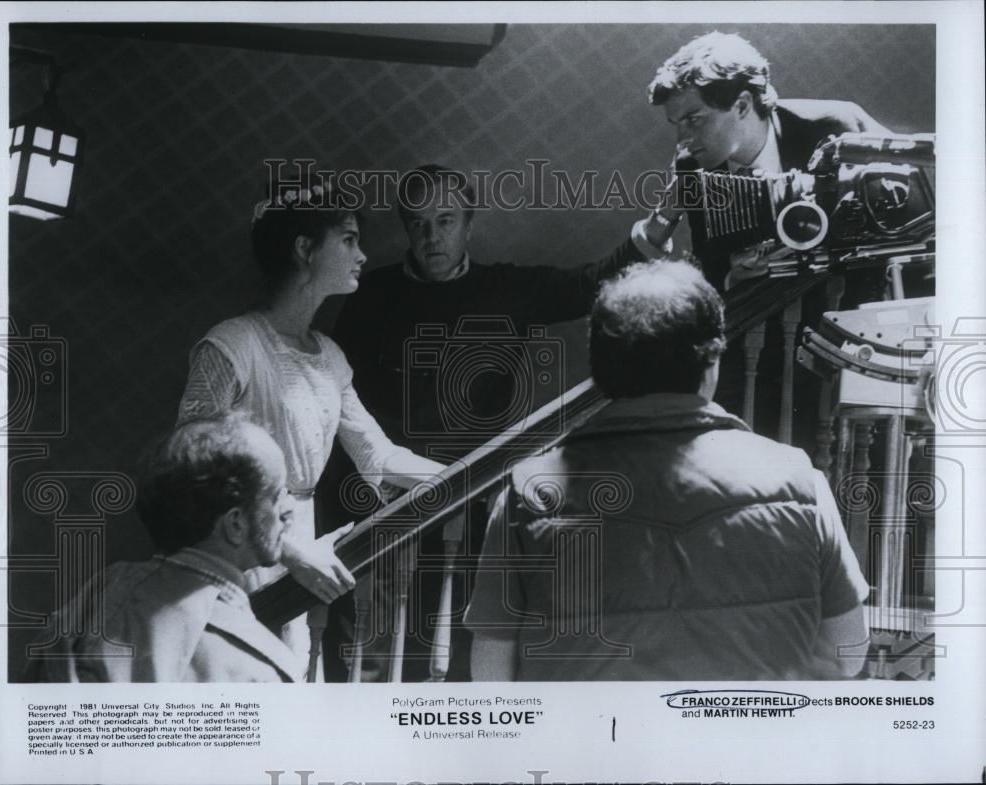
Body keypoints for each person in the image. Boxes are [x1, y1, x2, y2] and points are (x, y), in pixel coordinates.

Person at [321, 165, 662, 681]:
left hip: (477, 487)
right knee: (375, 640)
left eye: (445, 220)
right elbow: (343, 405)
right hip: (392, 495)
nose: (431, 236)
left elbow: (591, 283)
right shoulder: (372, 295)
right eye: (418, 223)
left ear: (469, 226)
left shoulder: (507, 288)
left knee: (472, 630)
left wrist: (661, 224)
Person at [466, 260, 870, 680]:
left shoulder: (530, 492)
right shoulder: (800, 480)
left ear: (600, 370)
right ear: (711, 363)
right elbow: (846, 654)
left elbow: (491, 671)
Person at [177, 186, 446, 670]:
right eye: (348, 240)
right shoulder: (233, 345)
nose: (362, 254)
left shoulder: (328, 356)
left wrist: (464, 475)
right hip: (234, 549)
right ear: (305, 249)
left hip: (300, 545)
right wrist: (288, 550)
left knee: (291, 675)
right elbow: (189, 471)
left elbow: (377, 455)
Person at [638, 31, 891, 448]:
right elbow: (714, 266)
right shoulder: (692, 168)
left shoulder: (838, 126)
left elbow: (918, 201)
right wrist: (734, 276)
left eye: (694, 119)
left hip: (855, 340)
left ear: (741, 104)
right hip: (768, 356)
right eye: (675, 125)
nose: (682, 140)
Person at [32, 417, 315, 682]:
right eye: (278, 495)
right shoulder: (262, 670)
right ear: (235, 524)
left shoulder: (94, 599)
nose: (289, 509)